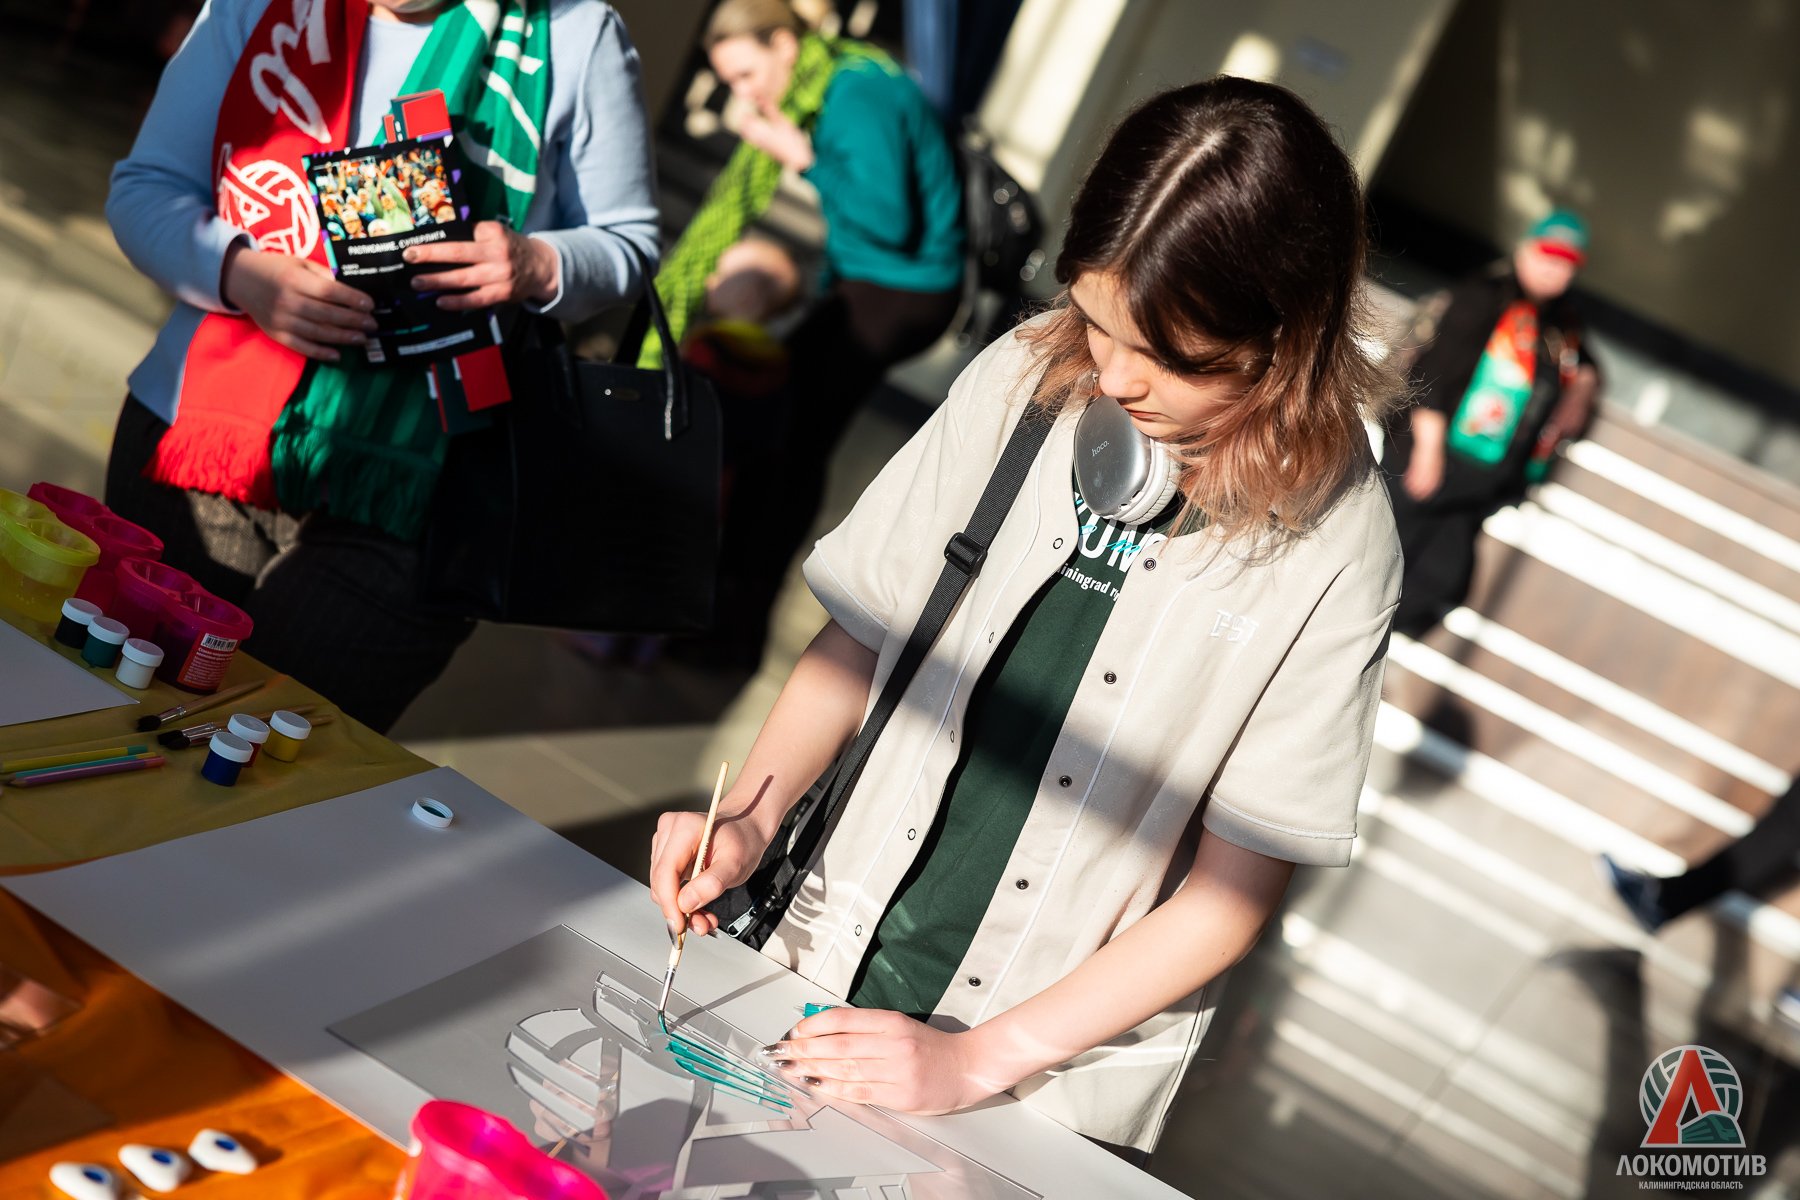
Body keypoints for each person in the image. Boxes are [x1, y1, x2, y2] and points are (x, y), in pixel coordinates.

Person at [649, 77, 1402, 1158]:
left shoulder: (1336, 545)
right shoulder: (1022, 377)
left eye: (1169, 357)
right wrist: (750, 822)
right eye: (1097, 323)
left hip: (1032, 1080)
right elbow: (864, 633)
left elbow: (1229, 897)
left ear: (1282, 341)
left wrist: (973, 1061)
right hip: (809, 955)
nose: (1116, 378)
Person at [103, 0, 659, 731]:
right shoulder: (255, 8)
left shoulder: (576, 31)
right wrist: (242, 274)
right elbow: (145, 189)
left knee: (272, 755)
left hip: (427, 482)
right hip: (204, 431)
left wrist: (537, 262)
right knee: (113, 713)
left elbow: (629, 242)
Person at [649, 0, 966, 664]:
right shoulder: (840, 74)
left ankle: (733, 628)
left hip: (900, 288)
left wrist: (802, 157)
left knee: (785, 446)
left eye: (746, 74)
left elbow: (887, 222)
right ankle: (729, 619)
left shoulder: (853, 95)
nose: (745, 93)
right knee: (784, 439)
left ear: (784, 46)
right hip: (878, 282)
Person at [1382, 210, 1602, 636]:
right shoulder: (1485, 295)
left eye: (1566, 263)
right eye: (1547, 255)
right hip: (1428, 462)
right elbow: (1433, 376)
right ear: (1525, 250)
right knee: (1382, 558)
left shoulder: (1561, 325)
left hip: (1477, 485)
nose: (1553, 269)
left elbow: (1586, 367)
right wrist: (1427, 450)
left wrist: (1586, 382)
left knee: (1440, 582)